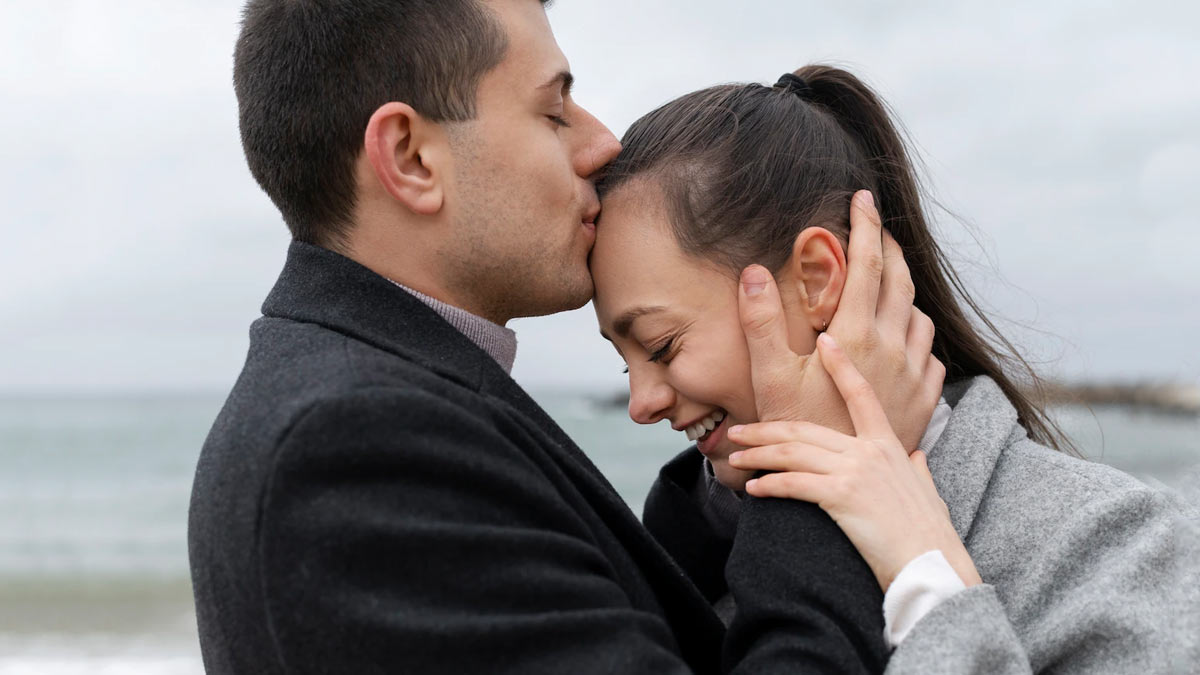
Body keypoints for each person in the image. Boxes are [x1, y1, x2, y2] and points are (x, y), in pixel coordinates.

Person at [188, 2, 953, 673]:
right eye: (554, 113)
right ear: (411, 158)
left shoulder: (381, 396)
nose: (602, 144)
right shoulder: (349, 446)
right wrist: (819, 465)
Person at [591, 64, 1200, 673]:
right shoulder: (678, 558)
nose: (642, 403)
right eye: (625, 367)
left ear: (816, 279)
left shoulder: (1112, 543)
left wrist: (928, 589)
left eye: (662, 345)